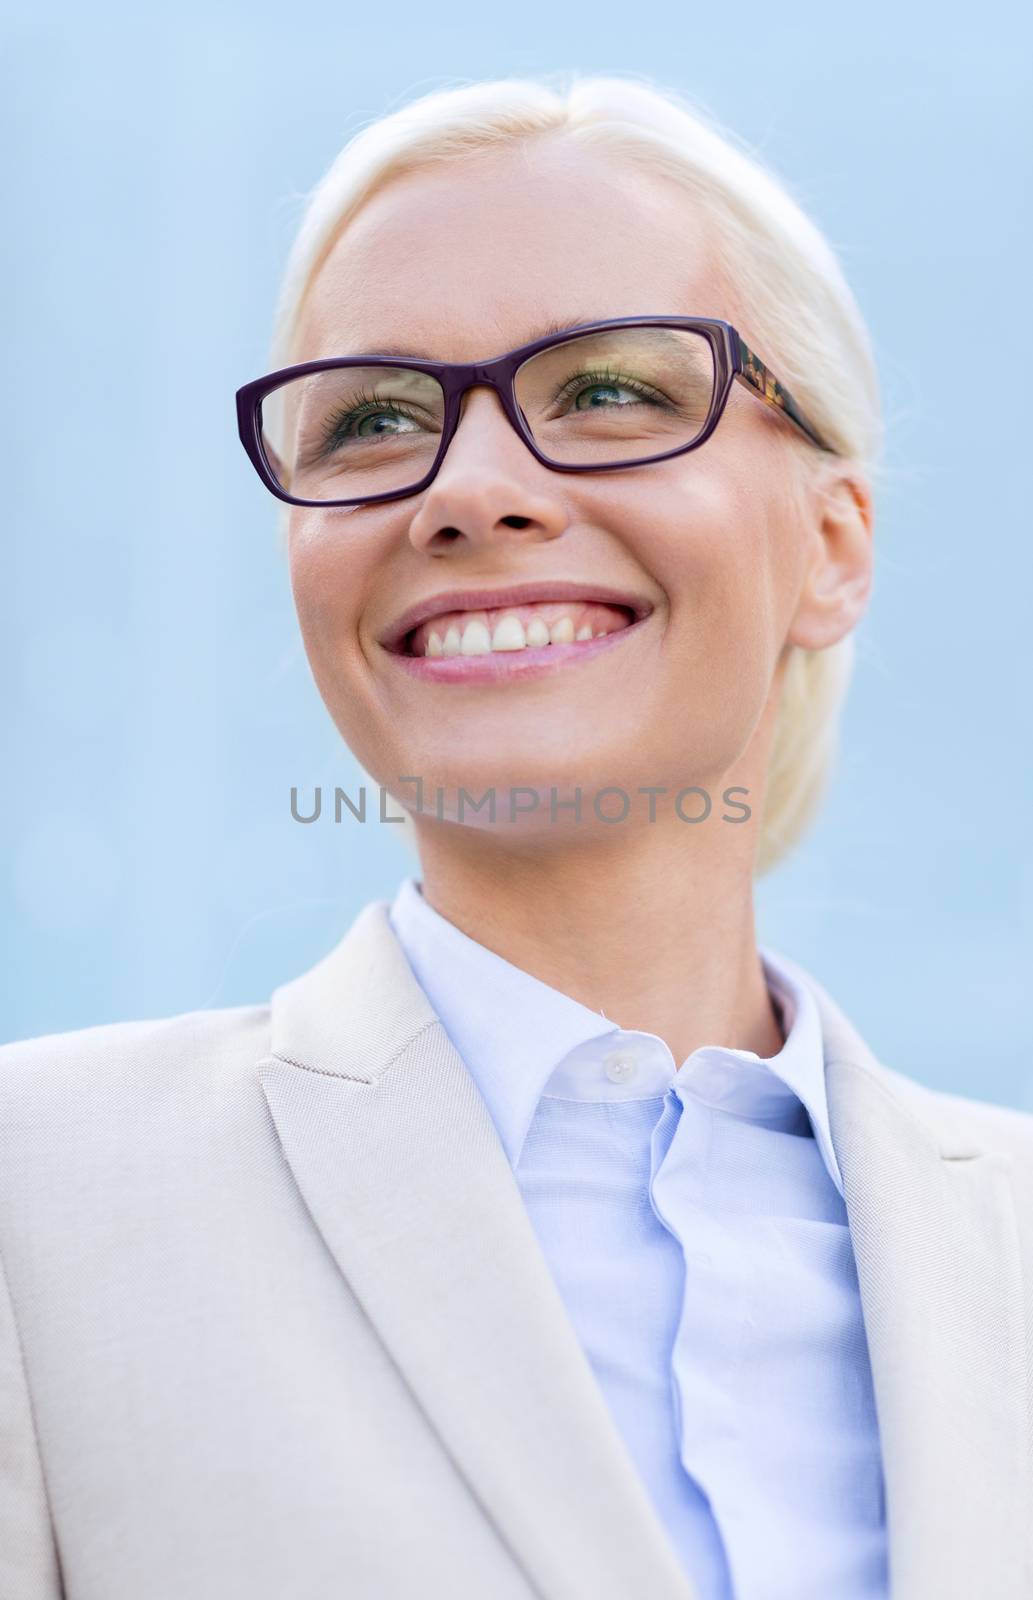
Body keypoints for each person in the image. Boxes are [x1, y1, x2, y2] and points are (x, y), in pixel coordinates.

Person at [2, 73, 1030, 1600]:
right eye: (371, 419)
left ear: (830, 548)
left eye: (609, 391)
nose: (470, 490)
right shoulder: (39, 1203)